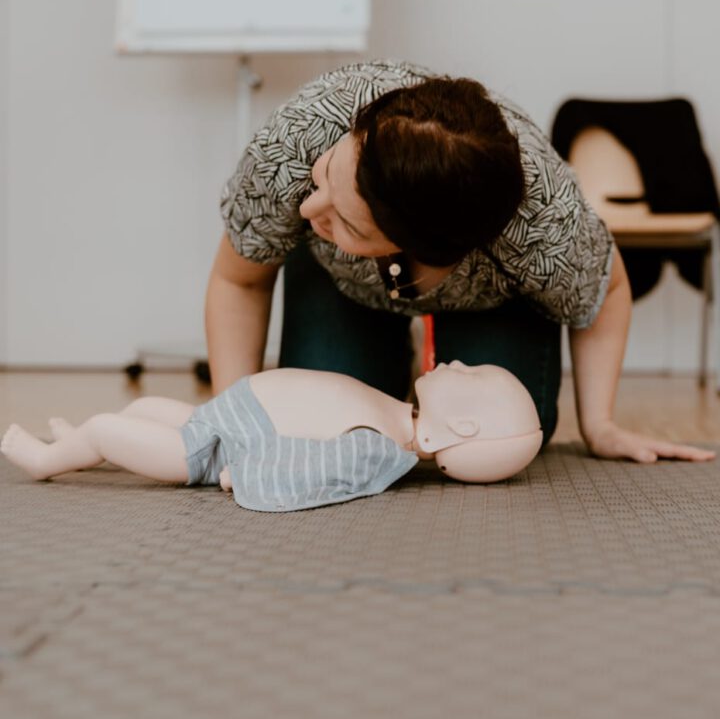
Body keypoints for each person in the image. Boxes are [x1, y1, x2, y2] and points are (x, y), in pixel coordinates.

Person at [206, 59, 715, 466]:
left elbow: (607, 289)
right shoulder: (300, 134)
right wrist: (234, 421)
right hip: (340, 284)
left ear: (423, 247)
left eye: (350, 224)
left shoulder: (542, 221)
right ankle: (384, 352)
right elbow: (240, 282)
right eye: (323, 178)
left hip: (490, 301)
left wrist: (599, 426)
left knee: (500, 440)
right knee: (320, 434)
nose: (308, 209)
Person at [0, 363, 545, 510]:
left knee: (105, 428)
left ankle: (49, 459)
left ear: (464, 427)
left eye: (471, 374)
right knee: (142, 408)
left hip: (212, 450)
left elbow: (317, 473)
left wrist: (247, 475)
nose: (457, 363)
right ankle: (82, 452)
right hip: (220, 418)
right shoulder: (399, 417)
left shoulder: (381, 449)